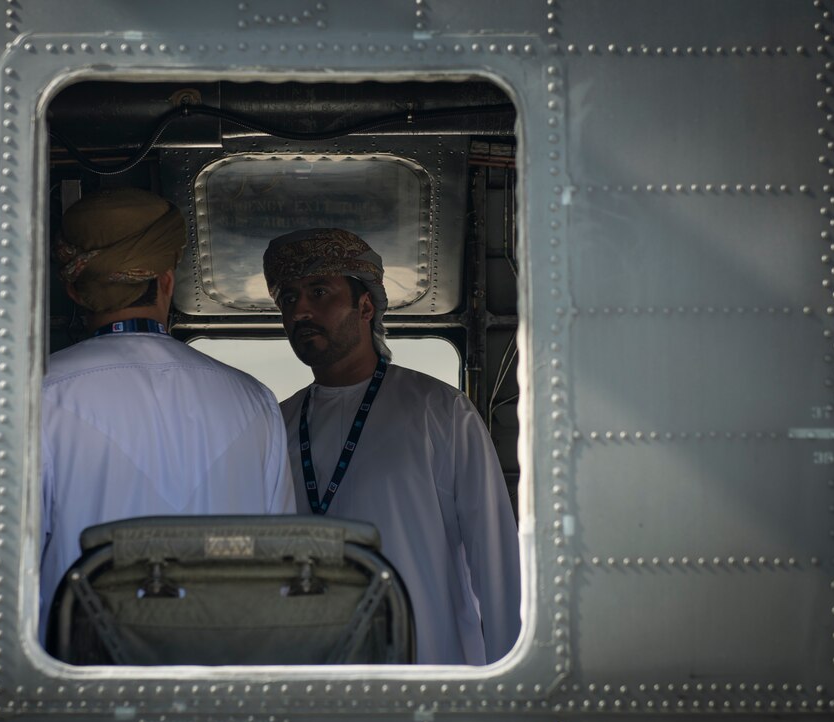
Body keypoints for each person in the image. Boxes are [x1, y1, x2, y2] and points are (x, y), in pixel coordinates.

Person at [40, 188, 296, 642]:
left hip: (77, 686)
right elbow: (280, 563)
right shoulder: (254, 400)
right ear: (166, 279)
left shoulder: (37, 395)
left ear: (76, 291)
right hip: (224, 685)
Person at [262, 228, 521, 665]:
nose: (300, 310)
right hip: (309, 679)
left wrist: (512, 692)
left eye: (319, 291)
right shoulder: (276, 423)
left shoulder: (439, 411)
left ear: (366, 306)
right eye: (288, 299)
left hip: (423, 676)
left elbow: (496, 565)